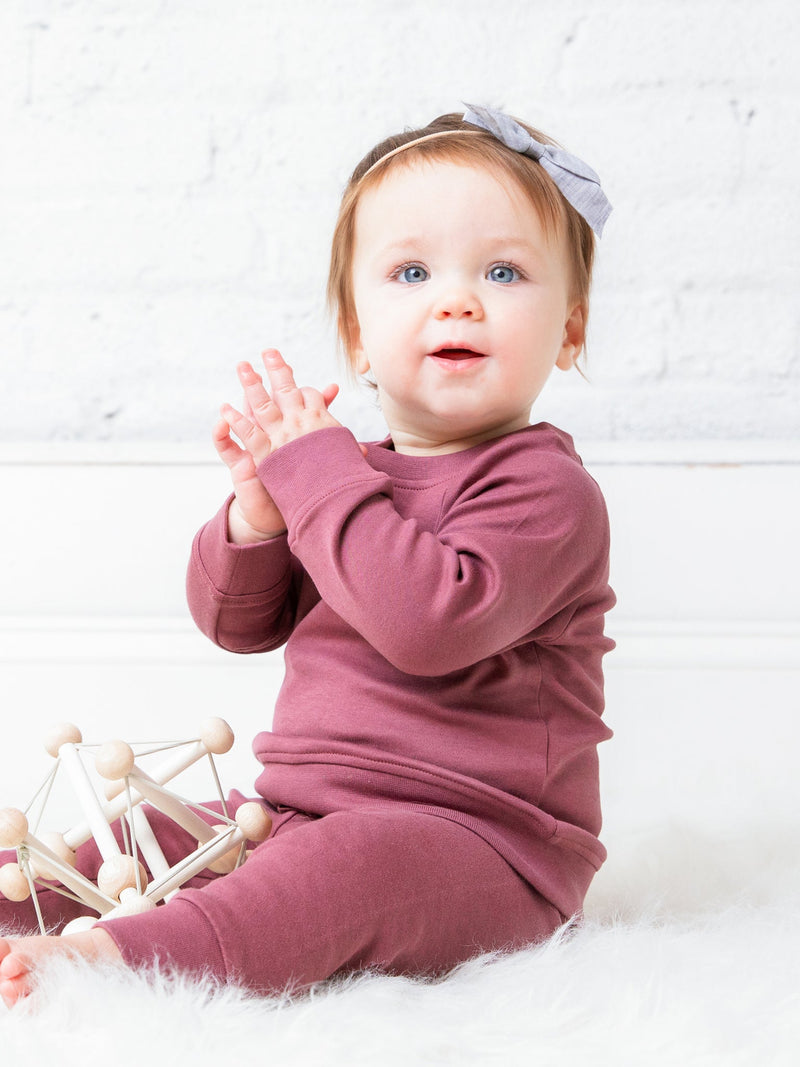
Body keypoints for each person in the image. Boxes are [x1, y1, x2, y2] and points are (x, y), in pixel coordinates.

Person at [0, 104, 615, 1006]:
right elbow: (235, 623)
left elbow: (427, 624)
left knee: (346, 868)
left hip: (486, 847)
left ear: (568, 330)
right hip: (298, 808)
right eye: (412, 272)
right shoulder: (344, 477)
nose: (457, 299)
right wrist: (257, 515)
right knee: (157, 830)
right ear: (360, 336)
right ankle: (24, 903)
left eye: (504, 271)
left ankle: (121, 962)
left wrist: (318, 475)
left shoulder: (546, 491)